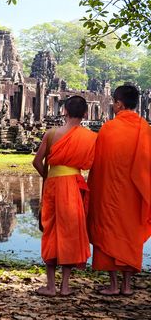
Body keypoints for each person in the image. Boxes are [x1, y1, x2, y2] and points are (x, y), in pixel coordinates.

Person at [87, 84, 151, 295]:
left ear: (119, 104)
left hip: (109, 193)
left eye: (114, 102)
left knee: (108, 233)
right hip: (134, 195)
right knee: (129, 235)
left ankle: (113, 285)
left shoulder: (109, 128)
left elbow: (99, 164)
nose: (113, 106)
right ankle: (126, 286)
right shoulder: (145, 129)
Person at [33, 95, 97, 296]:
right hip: (73, 185)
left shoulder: (51, 134)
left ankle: (50, 286)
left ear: (64, 111)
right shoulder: (90, 137)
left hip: (53, 185)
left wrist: (50, 175)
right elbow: (90, 163)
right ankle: (65, 286)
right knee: (70, 231)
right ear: (85, 113)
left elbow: (37, 162)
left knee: (51, 230)